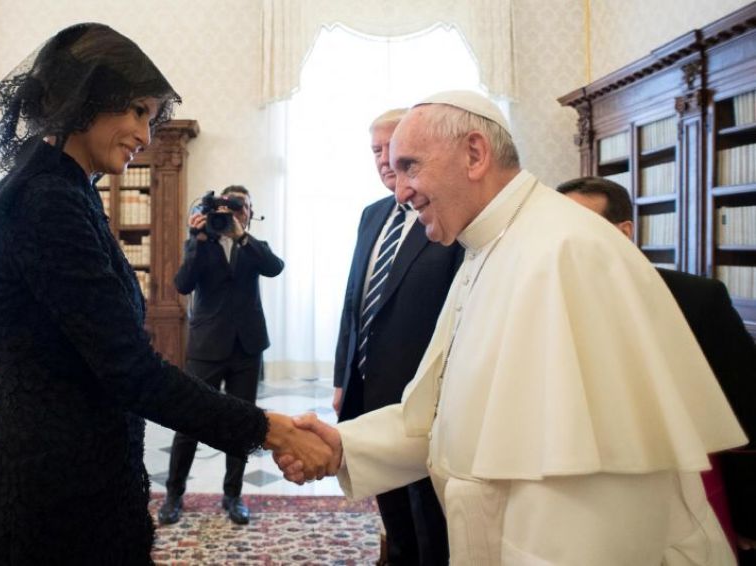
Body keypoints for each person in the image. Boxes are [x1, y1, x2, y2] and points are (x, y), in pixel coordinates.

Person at [277, 90, 747, 564]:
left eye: (411, 167)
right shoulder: (487, 246)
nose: (400, 192)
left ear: (475, 154)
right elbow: (455, 417)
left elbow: (585, 497)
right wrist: (347, 445)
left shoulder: (566, 251)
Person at [0, 23, 329, 565]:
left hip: (76, 471)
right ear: (87, 98)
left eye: (152, 115)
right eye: (137, 110)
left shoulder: (65, 187)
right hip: (57, 494)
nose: (144, 132)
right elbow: (130, 371)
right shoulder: (47, 200)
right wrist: (269, 429)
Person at [556, 176, 756, 564]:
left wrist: (749, 514)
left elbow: (745, 407)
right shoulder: (554, 299)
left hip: (689, 484)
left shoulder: (697, 298)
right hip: (595, 494)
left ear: (624, 231)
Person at [333, 108, 458, 564]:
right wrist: (342, 377)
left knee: (431, 524)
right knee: (394, 519)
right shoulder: (372, 215)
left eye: (393, 149)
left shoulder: (447, 217)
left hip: (422, 402)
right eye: (375, 151)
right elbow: (355, 302)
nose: (385, 160)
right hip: (368, 392)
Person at [158, 185, 284, 526]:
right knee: (188, 422)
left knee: (241, 427)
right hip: (207, 347)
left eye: (242, 206)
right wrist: (196, 240)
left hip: (246, 347)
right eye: (230, 206)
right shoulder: (201, 242)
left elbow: (275, 267)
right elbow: (183, 285)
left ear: (249, 211)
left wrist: (242, 236)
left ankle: (233, 496)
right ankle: (173, 495)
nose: (235, 212)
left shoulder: (254, 247)